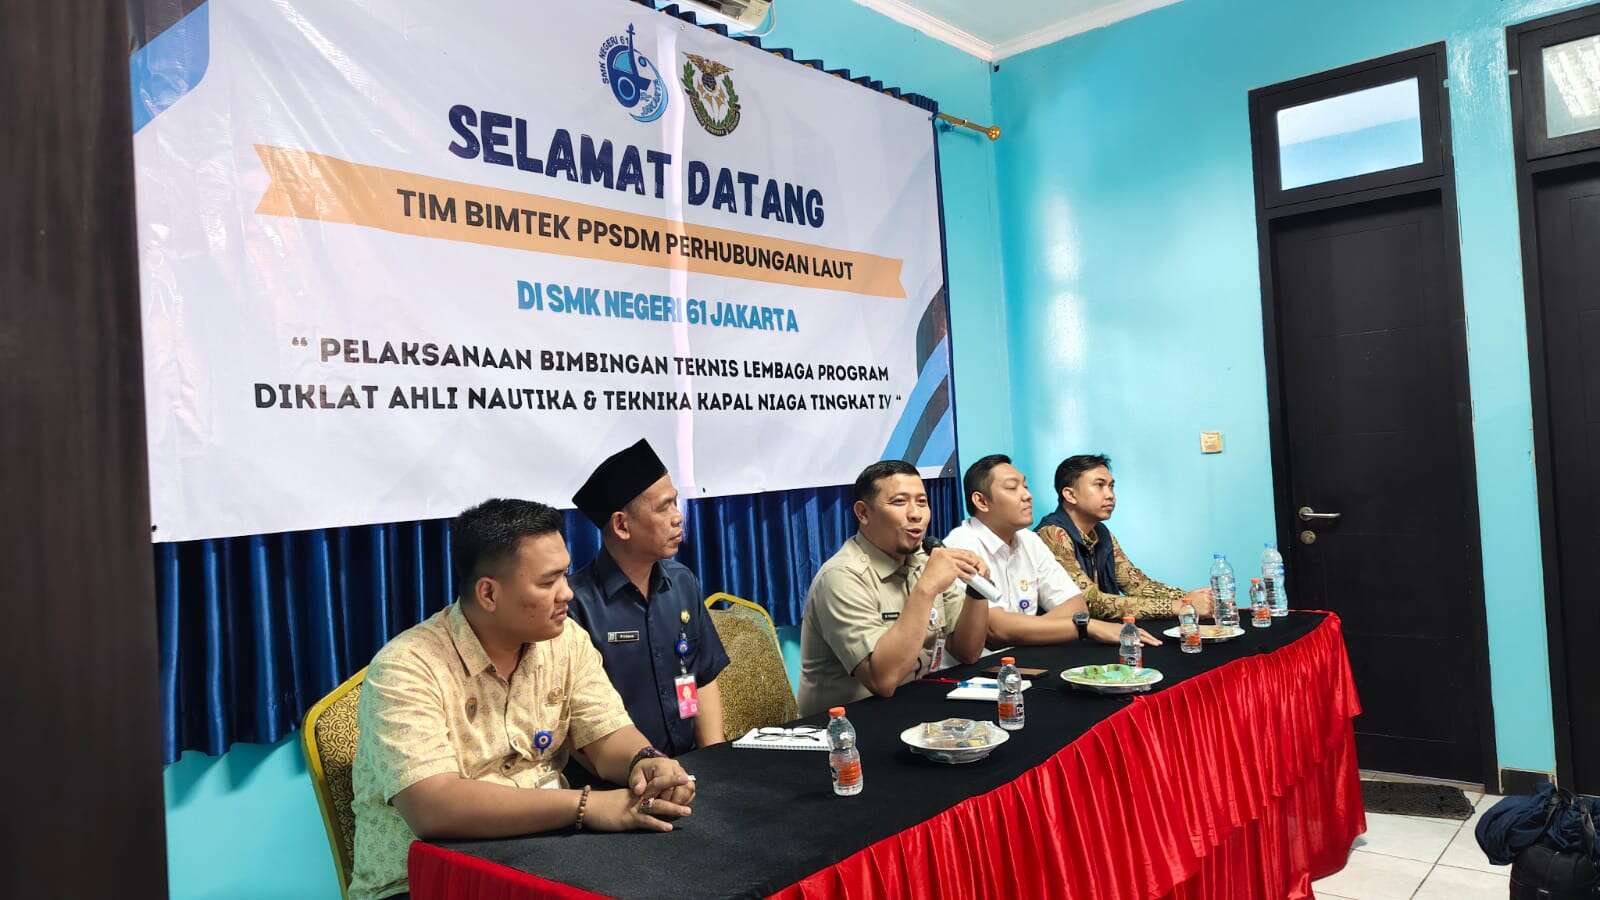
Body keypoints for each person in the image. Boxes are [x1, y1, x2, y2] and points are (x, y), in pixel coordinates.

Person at [347, 499, 697, 900]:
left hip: (542, 859)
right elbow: (433, 807)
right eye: (548, 583)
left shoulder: (565, 640)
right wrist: (586, 806)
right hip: (426, 881)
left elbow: (605, 733)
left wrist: (645, 761)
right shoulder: (407, 667)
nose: (567, 593)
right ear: (488, 593)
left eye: (564, 574)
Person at [568, 438, 729, 756]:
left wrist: (715, 759)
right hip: (620, 776)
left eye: (675, 503)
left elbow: (702, 677)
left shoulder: (682, 582)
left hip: (691, 765)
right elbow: (576, 723)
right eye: (663, 507)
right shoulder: (576, 605)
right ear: (621, 525)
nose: (678, 517)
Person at [797, 460, 991, 717]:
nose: (916, 514)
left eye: (922, 502)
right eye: (899, 502)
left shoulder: (923, 561)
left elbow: (968, 652)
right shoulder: (841, 577)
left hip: (912, 706)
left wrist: (976, 590)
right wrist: (925, 590)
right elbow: (883, 681)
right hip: (846, 725)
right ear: (863, 513)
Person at [943, 454, 1158, 648]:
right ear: (982, 501)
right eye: (1012, 488)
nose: (1027, 495)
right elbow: (996, 629)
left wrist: (1023, 631)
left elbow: (1076, 606)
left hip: (1026, 655)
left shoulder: (1029, 540)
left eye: (1025, 486)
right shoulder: (960, 546)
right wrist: (1085, 626)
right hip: (975, 667)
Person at [1036, 454, 1212, 621]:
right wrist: (1179, 606)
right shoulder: (1052, 534)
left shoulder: (1101, 532)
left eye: (1111, 486)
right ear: (1070, 495)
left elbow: (1137, 585)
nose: (1110, 495)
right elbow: (1091, 602)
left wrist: (1192, 598)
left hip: (1097, 632)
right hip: (1061, 636)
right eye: (1099, 485)